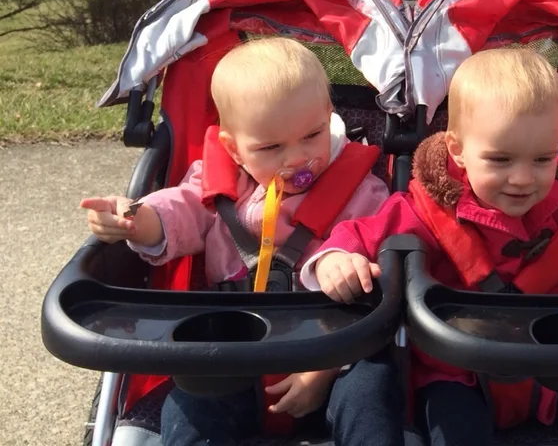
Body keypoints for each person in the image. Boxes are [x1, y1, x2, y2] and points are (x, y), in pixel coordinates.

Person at [303, 46, 558, 446]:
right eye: (501, 160)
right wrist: (336, 259)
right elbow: (361, 233)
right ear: (457, 149)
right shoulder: (423, 211)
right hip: (458, 374)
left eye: (542, 159)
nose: (524, 179)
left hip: (557, 367)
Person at [81, 37, 403, 446]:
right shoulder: (219, 187)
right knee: (189, 407)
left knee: (372, 389)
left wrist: (321, 370)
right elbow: (178, 211)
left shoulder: (362, 190)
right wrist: (136, 220)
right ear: (233, 148)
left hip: (332, 354)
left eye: (312, 135)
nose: (297, 158)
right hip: (232, 353)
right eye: (270, 148)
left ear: (329, 115)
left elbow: (375, 254)